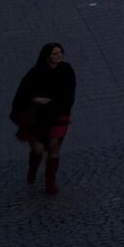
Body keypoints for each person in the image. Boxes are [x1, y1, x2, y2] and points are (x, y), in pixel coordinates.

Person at [11, 43, 76, 196]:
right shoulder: (35, 73)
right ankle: (32, 170)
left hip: (58, 114)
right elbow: (22, 94)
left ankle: (50, 184)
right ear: (47, 56)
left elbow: (70, 92)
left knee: (54, 147)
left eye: (60, 52)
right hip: (38, 117)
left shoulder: (66, 70)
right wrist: (35, 100)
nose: (59, 56)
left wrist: (67, 110)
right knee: (38, 149)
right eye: (55, 53)